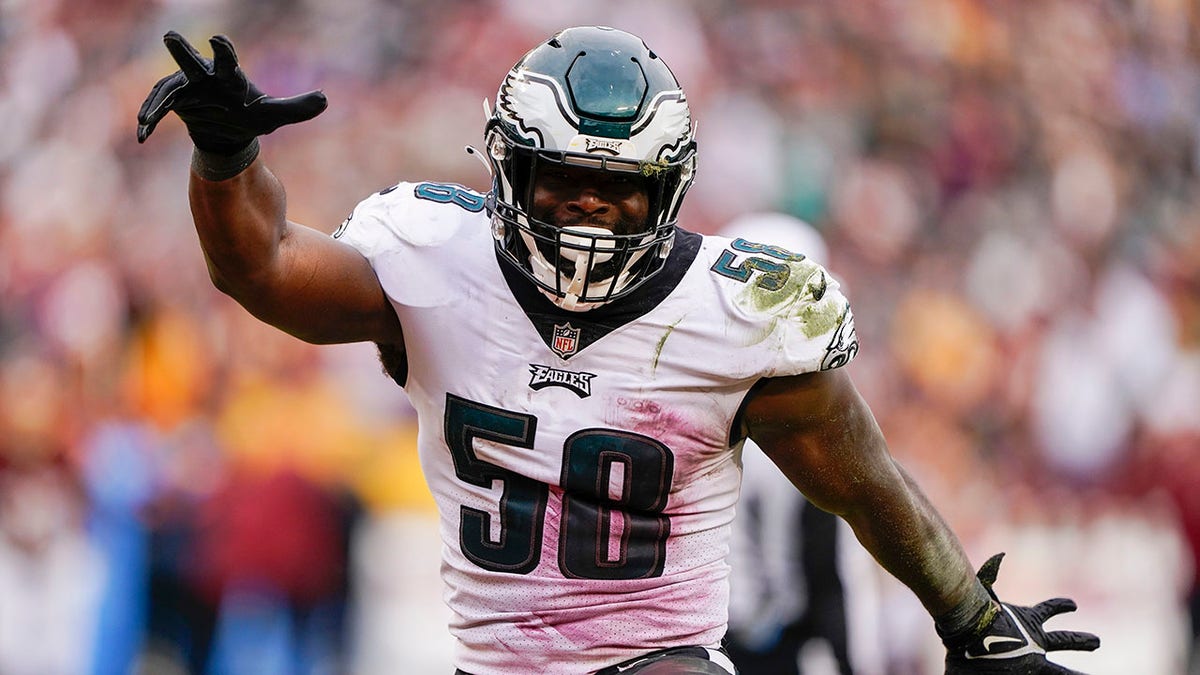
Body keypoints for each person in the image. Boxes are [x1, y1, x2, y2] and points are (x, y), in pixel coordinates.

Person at [136, 26, 1100, 675]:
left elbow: (867, 482)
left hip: (657, 659)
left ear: (670, 191)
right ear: (508, 168)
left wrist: (968, 615)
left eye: (621, 186)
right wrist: (226, 161)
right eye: (561, 178)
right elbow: (259, 265)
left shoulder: (736, 310)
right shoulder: (434, 260)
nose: (590, 205)